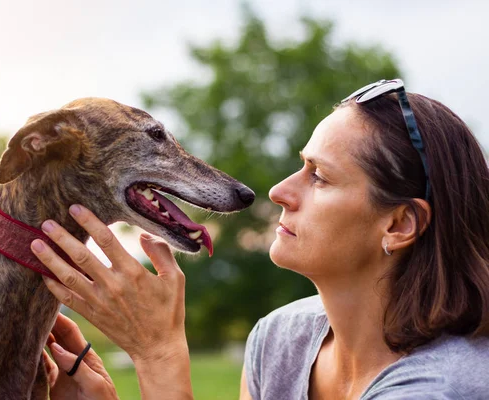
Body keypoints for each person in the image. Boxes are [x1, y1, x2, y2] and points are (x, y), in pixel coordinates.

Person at [30, 79, 489, 399]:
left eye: (320, 177)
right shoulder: (279, 341)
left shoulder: (443, 386)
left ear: (400, 224)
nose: (279, 192)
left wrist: (158, 354)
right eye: (301, 165)